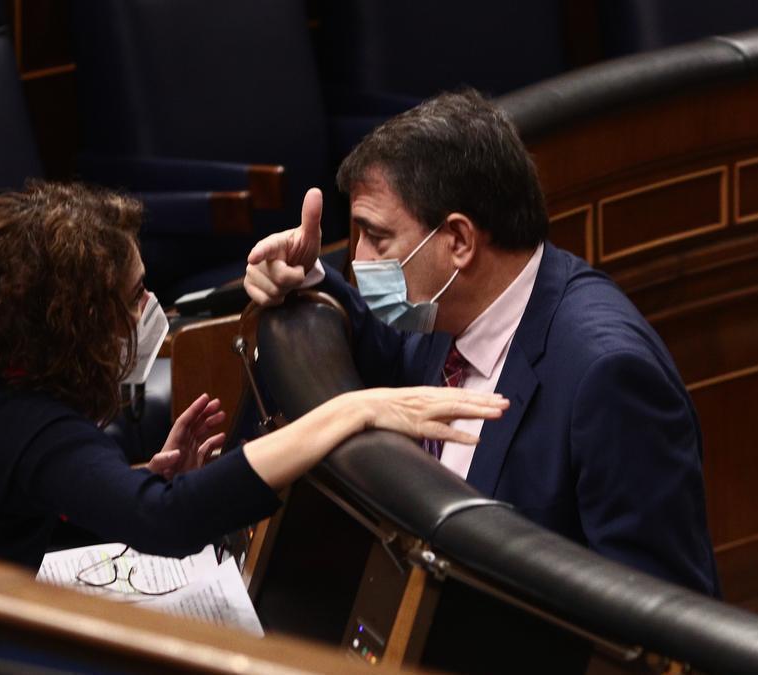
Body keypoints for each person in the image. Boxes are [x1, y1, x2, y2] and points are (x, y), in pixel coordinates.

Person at [0, 181, 507, 570]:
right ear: (74, 321)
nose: (152, 309)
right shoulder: (30, 427)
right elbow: (168, 519)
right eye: (134, 297)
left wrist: (123, 479)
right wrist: (347, 412)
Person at [246, 90, 719, 591]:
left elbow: (659, 616)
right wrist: (305, 278)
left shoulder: (607, 378)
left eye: (376, 238)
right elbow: (381, 350)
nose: (359, 262)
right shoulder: (443, 308)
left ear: (459, 241)